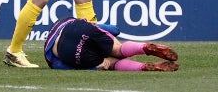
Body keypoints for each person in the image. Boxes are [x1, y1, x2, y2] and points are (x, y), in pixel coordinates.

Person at [44, 17, 179, 71]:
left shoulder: (49, 57)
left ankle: (143, 67)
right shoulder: (68, 19)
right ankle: (143, 47)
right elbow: (114, 29)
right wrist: (113, 33)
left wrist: (95, 66)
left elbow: (61, 66)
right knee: (119, 49)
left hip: (65, 51)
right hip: (79, 27)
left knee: (112, 63)